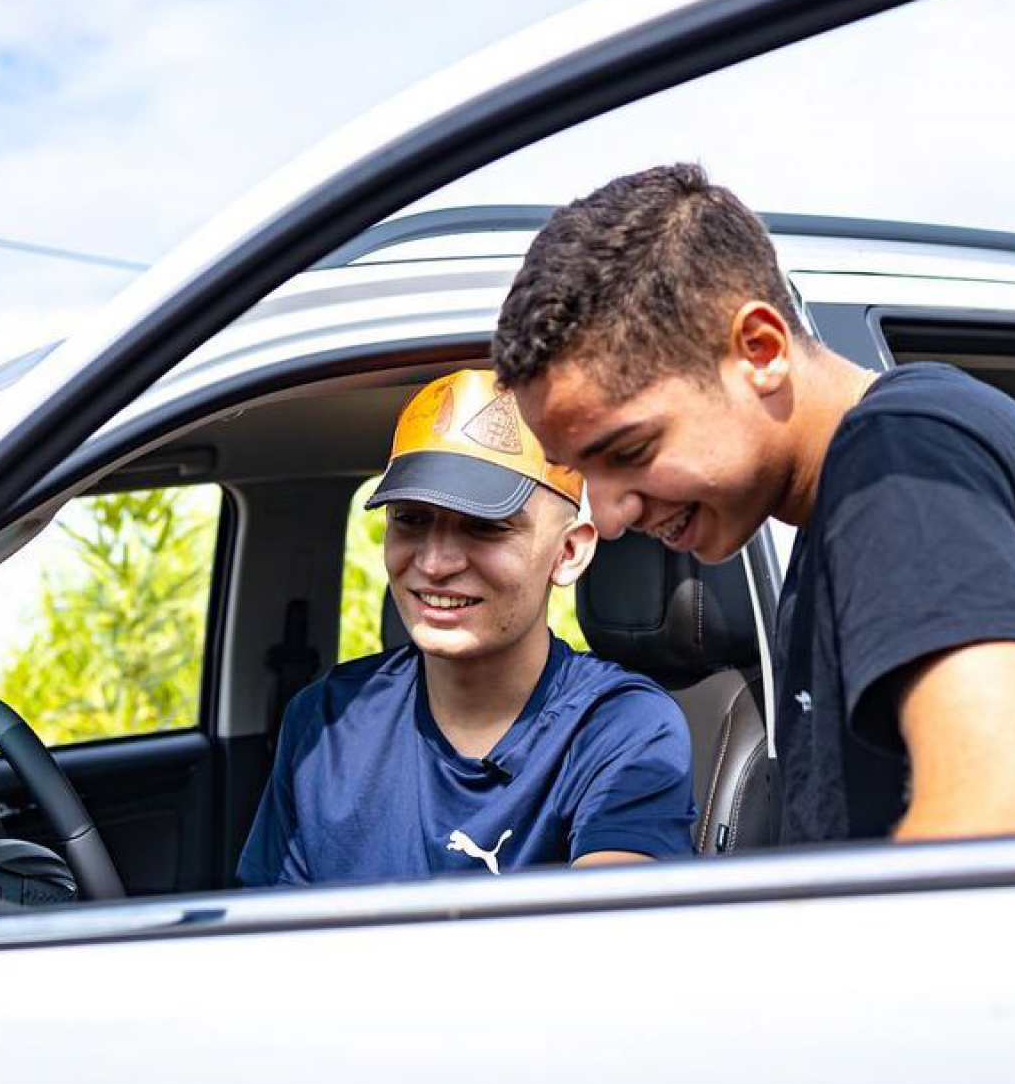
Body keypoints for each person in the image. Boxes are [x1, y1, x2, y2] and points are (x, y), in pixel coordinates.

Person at [494, 164, 1015, 843]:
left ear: (759, 349)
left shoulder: (897, 461)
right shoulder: (846, 506)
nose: (614, 515)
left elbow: (1007, 821)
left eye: (630, 452)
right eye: (586, 473)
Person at [238, 368, 695, 884]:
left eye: (485, 527)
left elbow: (610, 936)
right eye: (410, 519)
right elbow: (271, 941)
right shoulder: (327, 720)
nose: (434, 563)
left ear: (568, 552)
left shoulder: (620, 728)